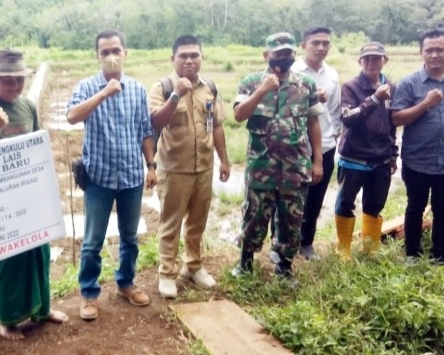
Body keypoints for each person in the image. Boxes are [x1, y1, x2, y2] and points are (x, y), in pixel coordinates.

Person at [0, 49, 68, 339]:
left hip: (30, 194)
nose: (15, 87)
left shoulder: (27, 107)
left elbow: (37, 147)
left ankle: (42, 310)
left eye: (20, 80)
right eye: (8, 81)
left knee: (38, 254)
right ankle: (7, 321)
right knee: (7, 262)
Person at [66, 30, 156, 320]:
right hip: (99, 178)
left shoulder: (138, 89)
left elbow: (145, 130)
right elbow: (71, 116)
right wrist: (104, 92)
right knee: (93, 240)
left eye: (116, 50)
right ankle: (89, 293)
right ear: (97, 56)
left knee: (130, 237)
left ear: (125, 53)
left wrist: (151, 165)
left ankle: (126, 284)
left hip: (131, 175)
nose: (111, 56)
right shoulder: (87, 86)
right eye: (104, 52)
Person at [232, 33, 324, 281]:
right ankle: (245, 262)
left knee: (291, 220)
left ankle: (284, 266)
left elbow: (313, 122)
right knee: (254, 217)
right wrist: (262, 90)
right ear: (266, 56)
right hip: (261, 168)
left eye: (288, 53)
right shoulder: (251, 82)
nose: (283, 58)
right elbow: (239, 115)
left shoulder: (305, 84)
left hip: (295, 167)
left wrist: (318, 161)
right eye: (277, 54)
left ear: (294, 55)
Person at [148, 35, 230, 298]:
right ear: (173, 59)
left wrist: (224, 160)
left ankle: (193, 266)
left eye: (195, 55)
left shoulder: (211, 88)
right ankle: (167, 273)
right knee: (170, 224)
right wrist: (175, 95)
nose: (189, 60)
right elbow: (155, 123)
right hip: (173, 170)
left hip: (204, 167)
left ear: (202, 58)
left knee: (197, 222)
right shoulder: (161, 87)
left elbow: (216, 125)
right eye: (183, 55)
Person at [391, 28, 444, 265]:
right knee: (415, 207)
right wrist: (425, 104)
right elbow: (397, 118)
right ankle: (412, 253)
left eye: (440, 49)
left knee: (443, 209)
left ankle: (439, 255)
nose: (434, 54)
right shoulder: (409, 83)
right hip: (416, 160)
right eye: (429, 50)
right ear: (421, 52)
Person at [334, 42, 398, 260]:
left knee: (374, 204)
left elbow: (393, 124)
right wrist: (374, 99)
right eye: (367, 59)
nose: (372, 63)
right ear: (360, 61)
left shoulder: (391, 86)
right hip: (354, 157)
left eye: (377, 58)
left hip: (381, 159)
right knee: (345, 202)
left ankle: (370, 248)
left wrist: (393, 155)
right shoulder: (351, 87)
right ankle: (343, 249)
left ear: (385, 61)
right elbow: (347, 119)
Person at [288, 26, 341, 260]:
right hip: (295, 146)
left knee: (316, 198)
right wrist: (309, 98)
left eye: (326, 43)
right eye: (316, 43)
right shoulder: (291, 71)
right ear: (303, 46)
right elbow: (283, 107)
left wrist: (335, 134)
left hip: (326, 145)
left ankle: (306, 242)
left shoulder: (332, 75)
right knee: (289, 198)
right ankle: (285, 243)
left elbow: (335, 111)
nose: (321, 48)